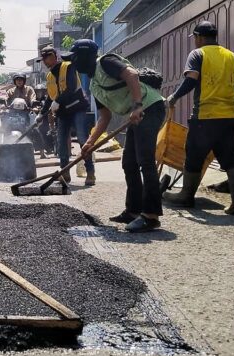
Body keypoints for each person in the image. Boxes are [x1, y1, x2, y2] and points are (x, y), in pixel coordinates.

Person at [67, 39, 165, 232]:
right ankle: (133, 210)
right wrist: (88, 144)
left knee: (145, 160)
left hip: (149, 108)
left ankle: (151, 216)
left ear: (85, 56)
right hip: (137, 115)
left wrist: (137, 105)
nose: (74, 64)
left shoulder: (106, 62)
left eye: (75, 58)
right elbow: (104, 117)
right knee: (129, 162)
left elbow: (131, 74)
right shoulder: (94, 85)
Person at [162, 21, 234, 215]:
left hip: (205, 117)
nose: (195, 42)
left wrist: (173, 97)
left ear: (199, 37)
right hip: (230, 118)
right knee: (230, 158)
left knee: (193, 156)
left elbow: (191, 80)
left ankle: (186, 196)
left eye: (195, 38)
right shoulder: (232, 57)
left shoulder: (198, 54)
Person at [35, 45, 95, 186]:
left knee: (82, 138)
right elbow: (50, 97)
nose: (46, 61)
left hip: (77, 107)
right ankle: (65, 173)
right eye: (44, 59)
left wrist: (57, 101)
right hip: (63, 112)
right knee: (61, 142)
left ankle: (90, 172)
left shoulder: (68, 67)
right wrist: (41, 114)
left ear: (55, 56)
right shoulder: (49, 76)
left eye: (48, 57)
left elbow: (71, 87)